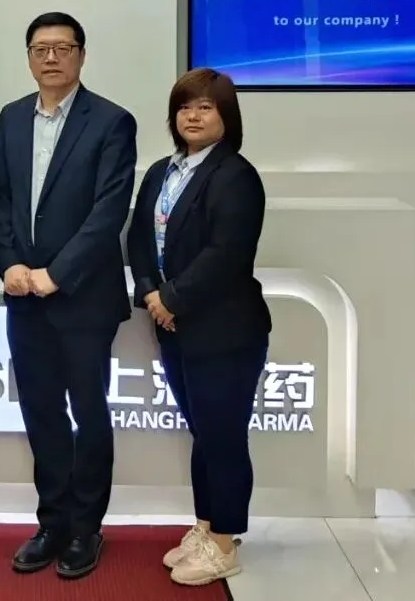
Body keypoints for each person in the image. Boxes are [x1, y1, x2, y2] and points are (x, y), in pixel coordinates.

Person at [0, 12, 137, 580]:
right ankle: (51, 522)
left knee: (89, 413)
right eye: (40, 49)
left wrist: (57, 272)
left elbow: (109, 211)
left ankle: (85, 527)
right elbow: (1, 199)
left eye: (62, 48)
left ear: (81, 55)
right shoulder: (11, 117)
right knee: (40, 411)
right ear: (29, 57)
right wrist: (11, 263)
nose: (50, 57)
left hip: (82, 298)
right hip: (25, 296)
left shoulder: (112, 121)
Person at [126, 67, 271, 587]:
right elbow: (139, 239)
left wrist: (172, 298)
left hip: (226, 330)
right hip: (175, 328)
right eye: (184, 107)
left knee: (223, 436)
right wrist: (151, 292)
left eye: (205, 107)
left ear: (226, 116)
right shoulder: (162, 172)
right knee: (203, 434)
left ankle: (225, 544)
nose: (192, 116)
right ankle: (207, 526)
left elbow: (226, 254)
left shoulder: (236, 175)